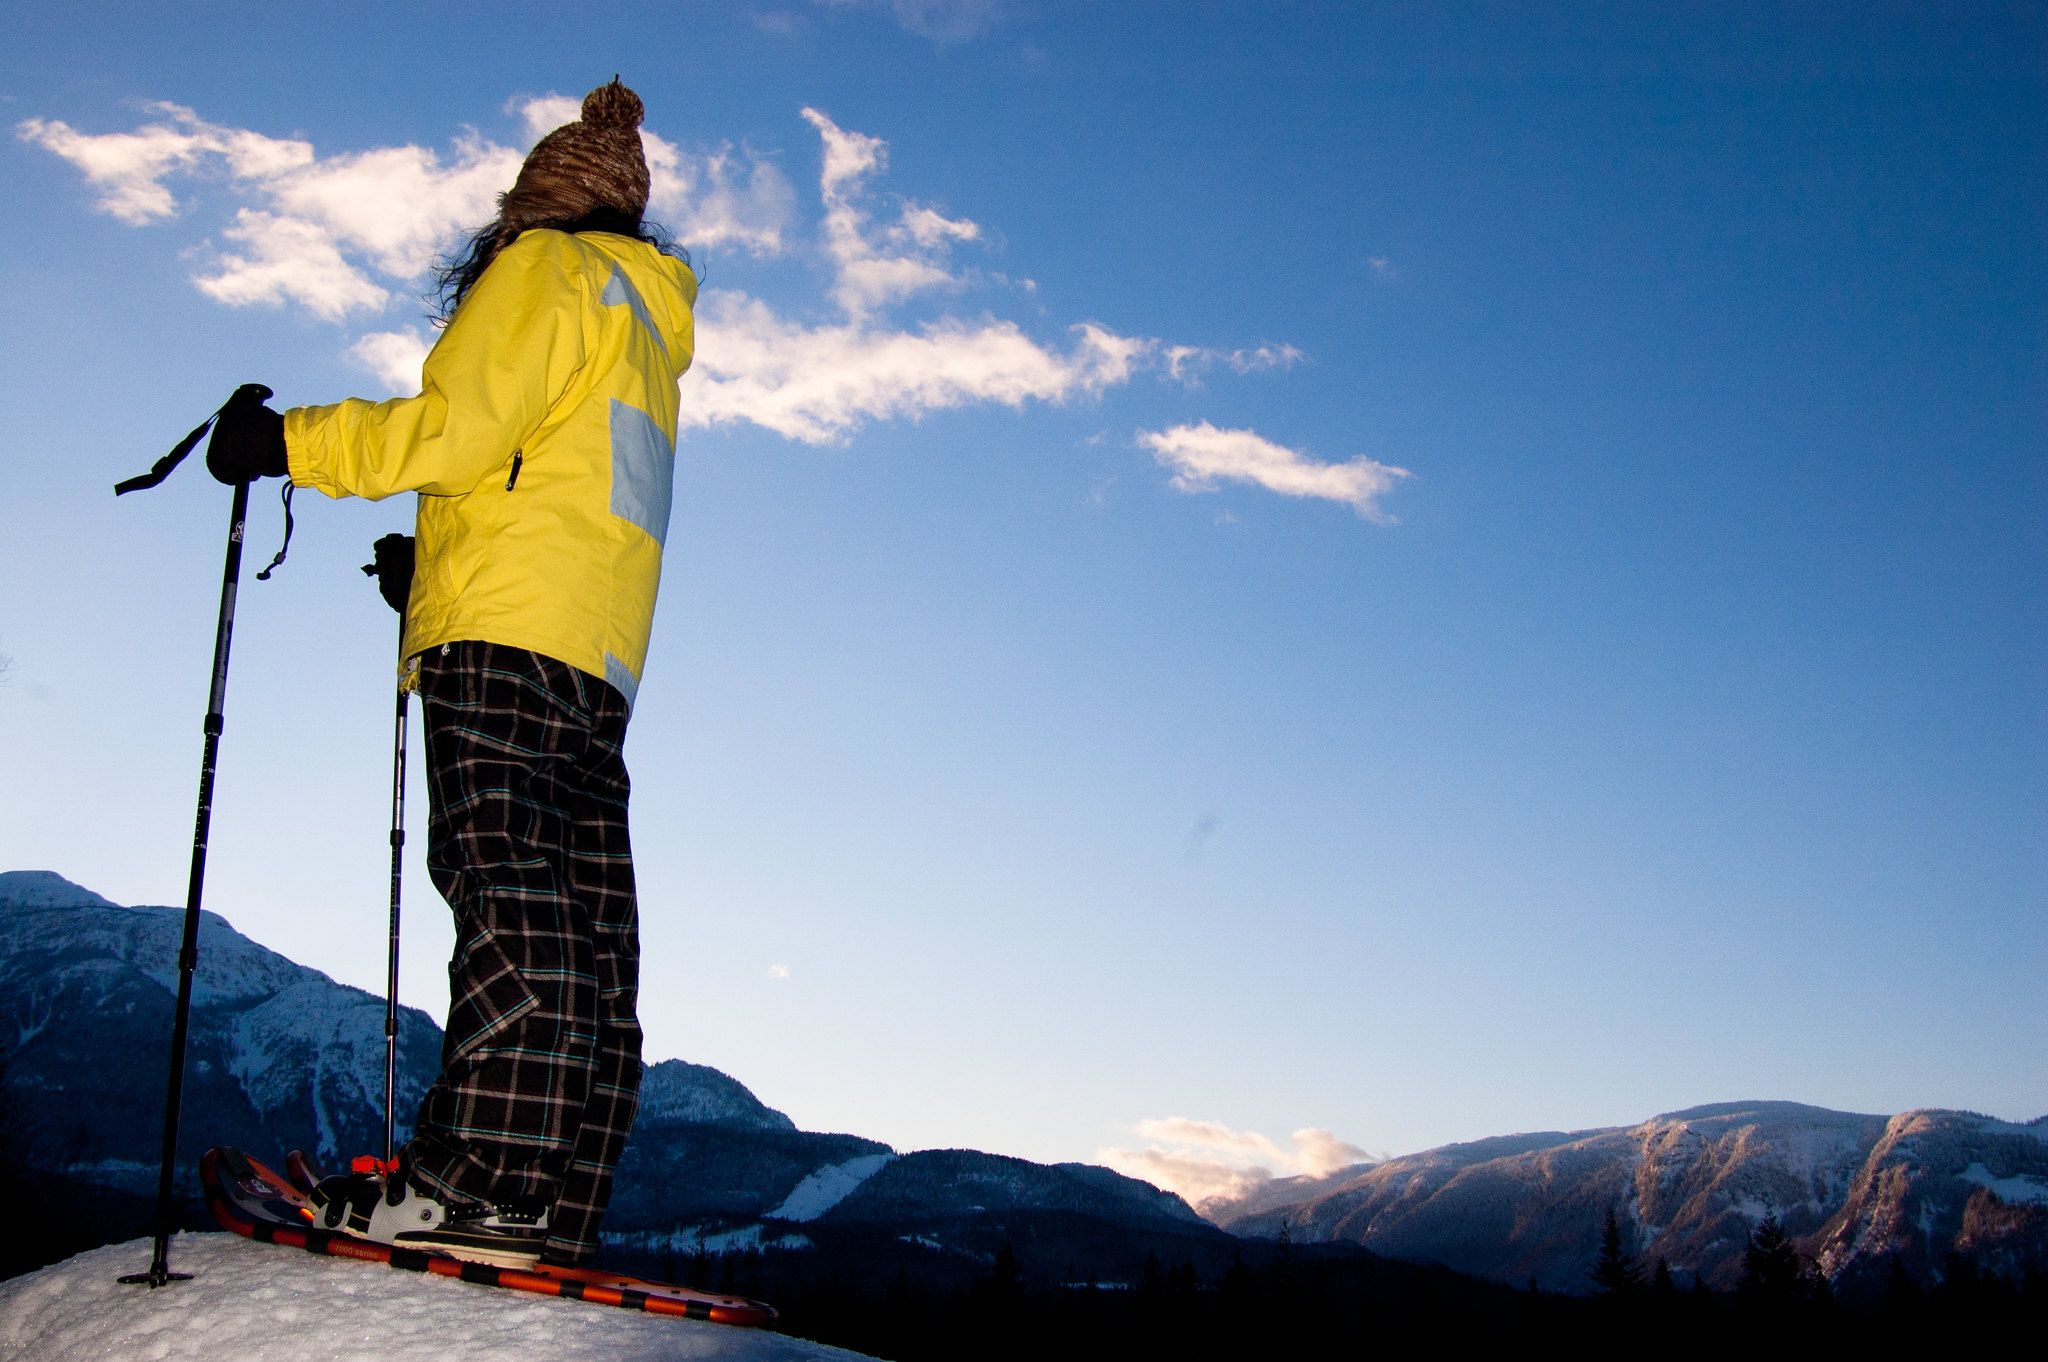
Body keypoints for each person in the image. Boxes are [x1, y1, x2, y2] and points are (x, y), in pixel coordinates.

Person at [205, 79, 698, 1268]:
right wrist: (433, 565)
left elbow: (456, 434)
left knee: (501, 886)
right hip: (593, 652)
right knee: (581, 922)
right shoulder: (643, 326)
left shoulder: (542, 275)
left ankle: (480, 1183)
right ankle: (549, 1195)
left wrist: (288, 444)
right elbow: (552, 487)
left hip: (505, 642)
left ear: (533, 203)